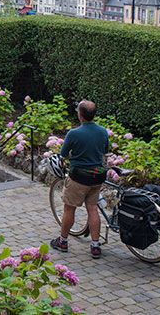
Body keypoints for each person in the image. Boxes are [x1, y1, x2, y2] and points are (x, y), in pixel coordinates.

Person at [51, 100, 110, 258]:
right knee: (93, 208)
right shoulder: (103, 131)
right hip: (97, 177)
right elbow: (105, 151)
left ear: (80, 114)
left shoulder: (74, 133)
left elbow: (62, 155)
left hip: (79, 177)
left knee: (69, 208)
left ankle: (63, 241)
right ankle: (95, 245)